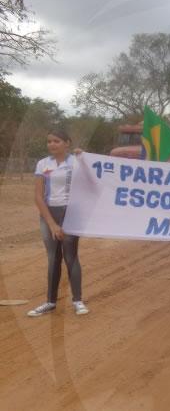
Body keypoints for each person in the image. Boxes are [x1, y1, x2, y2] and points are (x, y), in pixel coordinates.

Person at [27, 129, 89, 317]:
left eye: (56, 141)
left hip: (71, 213)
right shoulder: (43, 164)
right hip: (49, 213)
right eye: (49, 141)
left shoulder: (77, 161)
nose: (52, 144)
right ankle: (50, 302)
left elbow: (93, 180)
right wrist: (52, 224)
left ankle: (77, 301)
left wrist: (84, 158)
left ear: (67, 143)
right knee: (53, 259)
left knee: (71, 256)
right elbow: (38, 196)